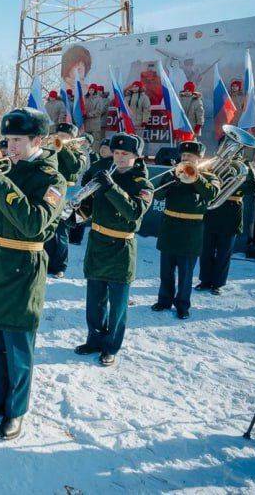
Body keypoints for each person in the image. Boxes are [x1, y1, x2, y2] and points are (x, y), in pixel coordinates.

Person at [0, 107, 66, 441]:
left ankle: (15, 411)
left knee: (18, 347)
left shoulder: (52, 178)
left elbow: (33, 223)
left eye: (18, 140)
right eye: (7, 140)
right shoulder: (3, 167)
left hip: (22, 268)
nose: (10, 146)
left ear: (38, 140)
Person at [74, 133, 152, 366]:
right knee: (95, 299)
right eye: (116, 153)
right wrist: (75, 216)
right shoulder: (104, 176)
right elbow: (88, 208)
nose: (119, 158)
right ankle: (94, 339)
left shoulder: (143, 185)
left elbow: (133, 212)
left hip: (121, 248)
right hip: (98, 243)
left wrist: (111, 187)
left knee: (117, 305)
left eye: (125, 154)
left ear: (136, 157)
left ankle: (111, 347)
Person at [151, 141, 220, 320]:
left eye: (189, 156)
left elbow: (211, 193)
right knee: (166, 270)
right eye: (183, 156)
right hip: (169, 228)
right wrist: (169, 180)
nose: (185, 159)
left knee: (186, 273)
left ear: (199, 159)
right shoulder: (174, 174)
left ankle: (182, 305)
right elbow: (157, 194)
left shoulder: (209, 176)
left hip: (191, 231)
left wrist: (196, 177)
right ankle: (164, 300)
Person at [197, 161, 255, 295]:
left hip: (231, 213)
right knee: (206, 250)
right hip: (212, 212)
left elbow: (253, 186)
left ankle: (218, 283)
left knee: (224, 253)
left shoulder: (244, 166)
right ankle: (205, 280)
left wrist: (231, 187)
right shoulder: (215, 163)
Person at [44, 122, 87, 278]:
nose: (60, 138)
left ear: (72, 138)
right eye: (59, 135)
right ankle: (46, 262)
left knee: (62, 230)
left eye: (64, 136)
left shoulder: (80, 154)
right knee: (49, 226)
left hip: (69, 193)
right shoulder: (52, 149)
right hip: (52, 191)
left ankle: (60, 266)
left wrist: (63, 149)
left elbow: (75, 168)